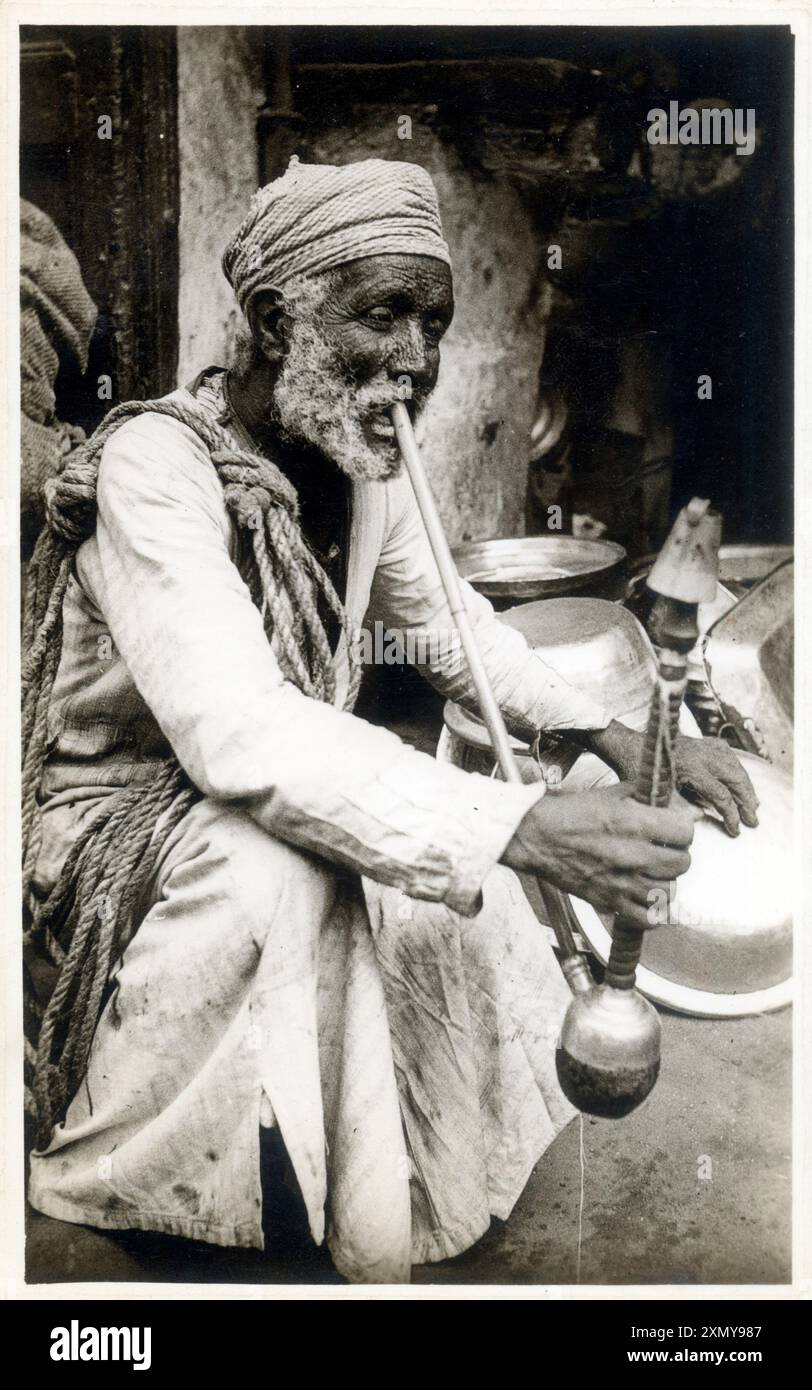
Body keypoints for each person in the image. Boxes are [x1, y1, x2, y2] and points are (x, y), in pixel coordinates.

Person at [23, 157, 757, 1283]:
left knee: (416, 850)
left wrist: (605, 733)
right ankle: (156, 1178)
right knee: (315, 855)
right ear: (276, 320)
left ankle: (382, 1180)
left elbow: (457, 631)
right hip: (107, 828)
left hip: (246, 792)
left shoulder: (360, 466)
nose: (415, 360)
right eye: (383, 316)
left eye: (434, 322)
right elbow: (243, 735)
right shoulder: (152, 467)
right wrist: (519, 828)